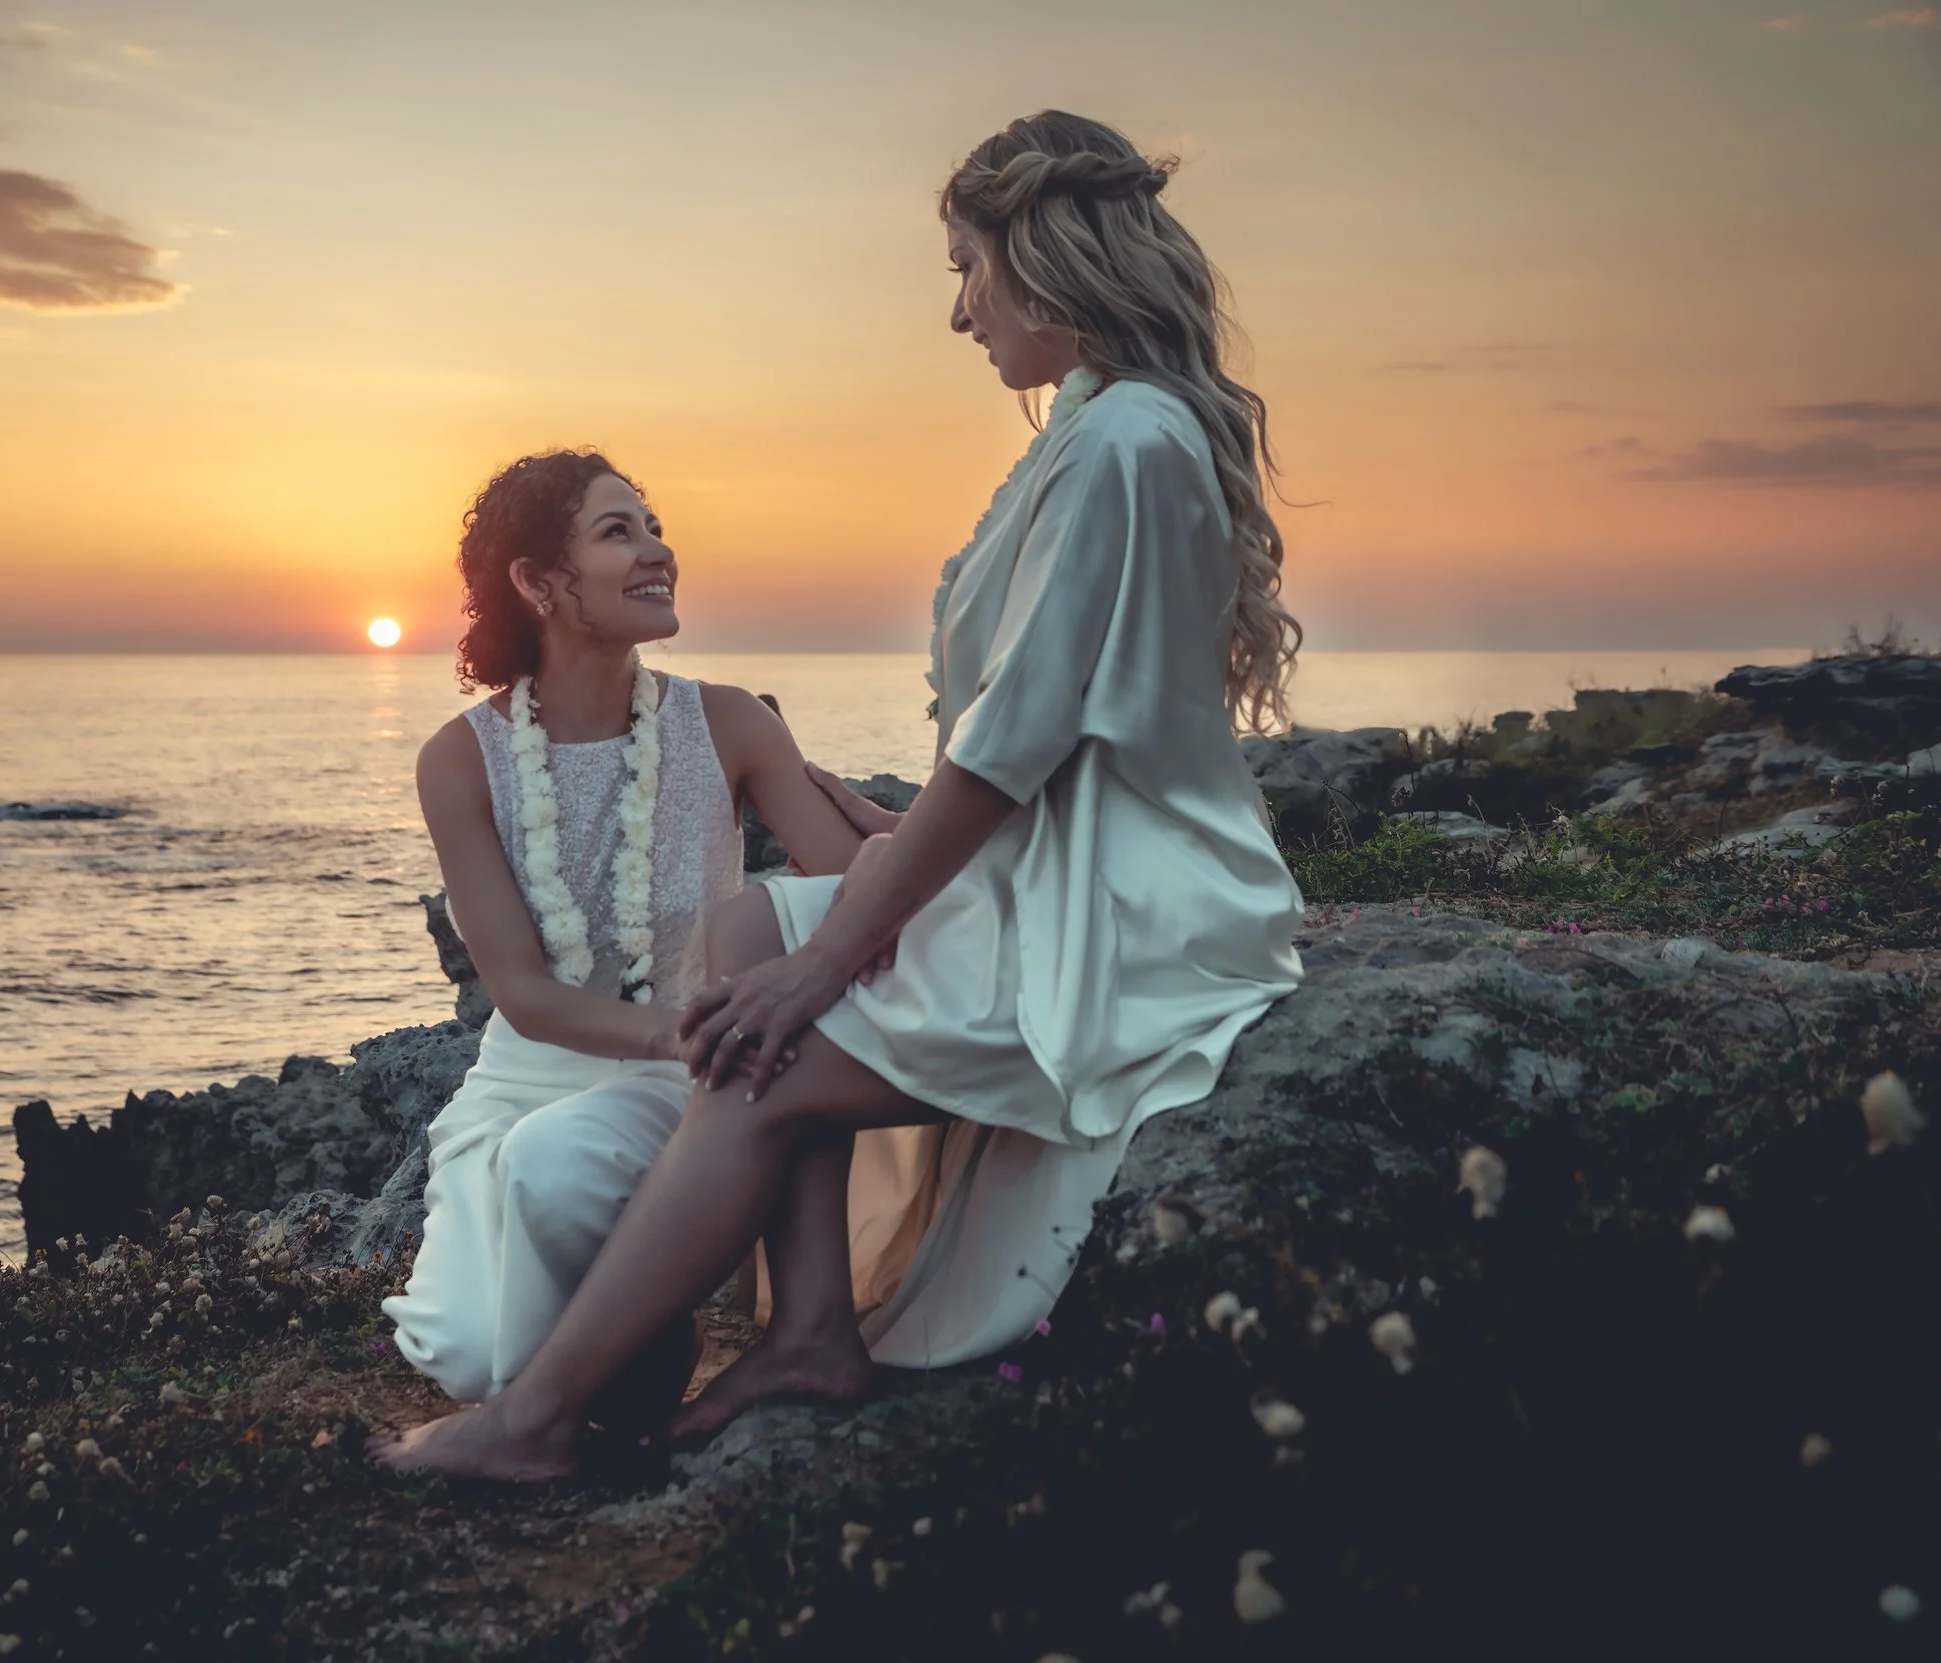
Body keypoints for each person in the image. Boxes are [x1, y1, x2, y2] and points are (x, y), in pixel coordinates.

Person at [374, 111, 1306, 1480]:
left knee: (764, 1045)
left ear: (1042, 256)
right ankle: (806, 1323)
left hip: (1118, 910)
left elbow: (1015, 743)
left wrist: (830, 961)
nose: (960, 310)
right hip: (1056, 857)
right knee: (747, 926)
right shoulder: (1098, 428)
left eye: (966, 267)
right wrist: (884, 855)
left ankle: (534, 1422)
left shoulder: (1123, 444)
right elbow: (1034, 730)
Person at [379, 449, 862, 1424]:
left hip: (684, 1078)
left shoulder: (729, 722)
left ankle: (635, 1315)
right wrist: (678, 1029)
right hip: (529, 1073)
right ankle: (641, 1335)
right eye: (617, 532)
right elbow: (523, 993)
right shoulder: (460, 760)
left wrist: (908, 829)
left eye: (654, 527)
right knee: (467, 1355)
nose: (657, 551)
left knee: (556, 1167)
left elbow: (852, 889)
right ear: (538, 582)